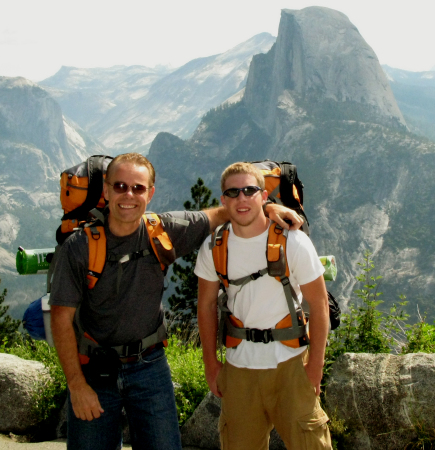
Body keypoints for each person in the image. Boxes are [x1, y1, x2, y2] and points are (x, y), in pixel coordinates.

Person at [50, 153, 303, 450]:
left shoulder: (164, 231)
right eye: (119, 187)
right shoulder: (78, 247)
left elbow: (221, 214)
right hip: (94, 369)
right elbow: (60, 319)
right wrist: (77, 386)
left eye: (138, 188)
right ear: (105, 191)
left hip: (150, 367)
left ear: (150, 193)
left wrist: (267, 205)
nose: (128, 195)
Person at [195, 162, 332, 450]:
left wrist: (315, 369)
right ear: (223, 200)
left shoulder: (293, 242)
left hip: (291, 366)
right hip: (239, 370)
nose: (241, 198)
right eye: (233, 192)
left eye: (249, 190)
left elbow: (319, 306)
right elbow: (205, 307)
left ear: (264, 196)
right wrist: (211, 365)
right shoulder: (213, 248)